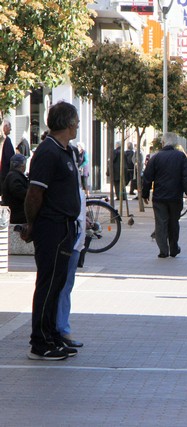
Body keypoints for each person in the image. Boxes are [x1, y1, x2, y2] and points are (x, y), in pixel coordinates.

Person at [22, 101, 82, 361]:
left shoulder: (65, 151)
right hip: (52, 226)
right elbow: (35, 192)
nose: (78, 125)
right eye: (76, 121)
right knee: (48, 284)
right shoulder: (48, 152)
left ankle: (52, 334)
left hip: (66, 225)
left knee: (58, 284)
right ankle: (39, 342)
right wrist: (31, 223)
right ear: (68, 123)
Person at [142, 139, 187, 258]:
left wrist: (144, 194)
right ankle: (174, 248)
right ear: (174, 144)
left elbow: (147, 177)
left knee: (161, 223)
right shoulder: (181, 156)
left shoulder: (156, 157)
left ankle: (163, 250)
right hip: (176, 196)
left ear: (163, 143)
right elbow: (186, 177)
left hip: (159, 197)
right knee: (174, 222)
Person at [56, 187, 86, 349]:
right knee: (61, 287)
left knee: (65, 287)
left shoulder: (77, 189)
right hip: (68, 241)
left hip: (74, 242)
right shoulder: (69, 188)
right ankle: (60, 329)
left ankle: (60, 328)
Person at [1, 154, 28, 223]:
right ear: (22, 165)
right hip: (18, 216)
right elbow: (19, 192)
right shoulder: (14, 177)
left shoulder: (13, 175)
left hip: (17, 215)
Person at [0, 119, 15, 197]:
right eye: (10, 127)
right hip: (4, 172)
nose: (11, 129)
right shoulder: (6, 140)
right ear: (5, 127)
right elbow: (10, 157)